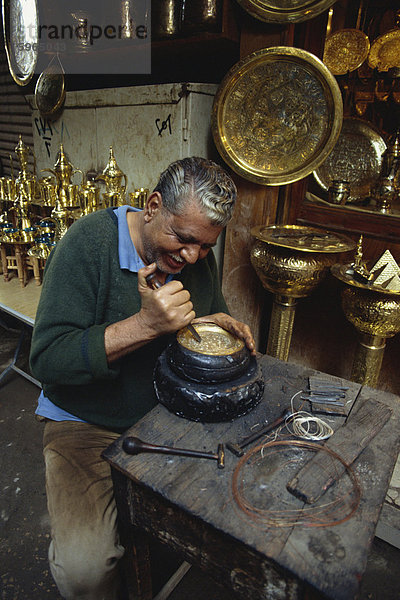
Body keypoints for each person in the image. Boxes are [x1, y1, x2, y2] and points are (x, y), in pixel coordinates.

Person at [30, 156, 255, 600]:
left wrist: (216, 323)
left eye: (206, 246)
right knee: (85, 572)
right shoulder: (86, 245)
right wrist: (145, 326)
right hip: (84, 422)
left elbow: (205, 307)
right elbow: (48, 360)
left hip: (165, 415)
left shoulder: (194, 256)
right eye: (184, 239)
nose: (192, 256)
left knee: (236, 502)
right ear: (152, 206)